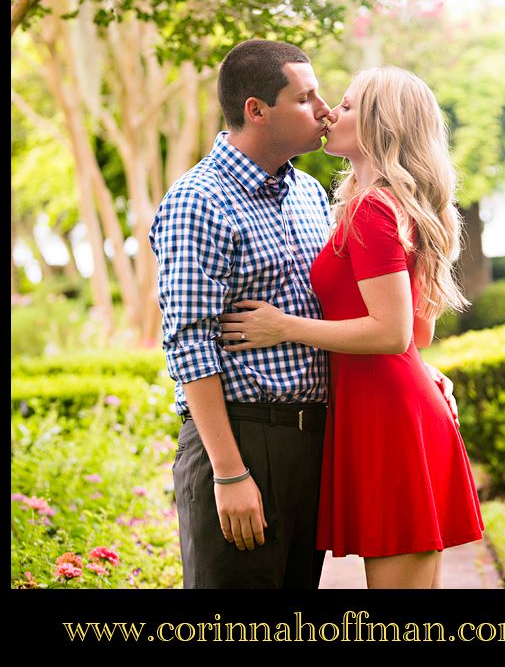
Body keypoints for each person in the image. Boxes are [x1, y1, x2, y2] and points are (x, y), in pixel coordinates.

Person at [149, 40, 458, 590]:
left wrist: (414, 369)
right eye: (308, 97)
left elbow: (378, 320)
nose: (324, 111)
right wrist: (229, 471)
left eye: (334, 100)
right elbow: (189, 344)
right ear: (257, 109)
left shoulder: (312, 196)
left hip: (321, 437)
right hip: (245, 437)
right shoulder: (199, 200)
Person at [220, 65, 485, 590]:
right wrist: (420, 371)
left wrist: (282, 326)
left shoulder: (372, 210)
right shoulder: (388, 205)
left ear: (379, 126)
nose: (329, 113)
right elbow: (416, 338)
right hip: (390, 411)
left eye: (345, 105)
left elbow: (392, 334)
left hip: (388, 423)